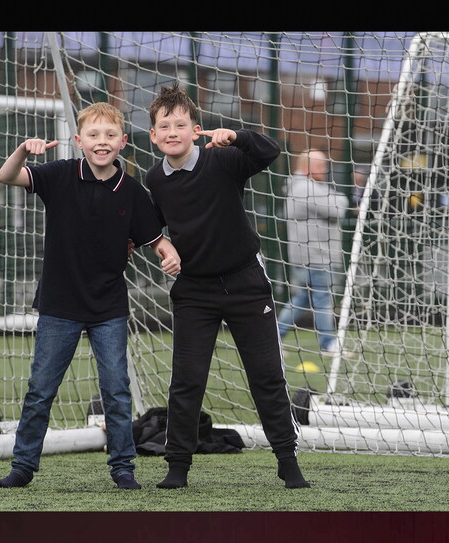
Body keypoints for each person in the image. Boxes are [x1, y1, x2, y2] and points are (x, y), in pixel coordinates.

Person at [0, 102, 181, 490]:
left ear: (123, 142)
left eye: (110, 135)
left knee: (116, 391)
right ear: (79, 141)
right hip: (59, 304)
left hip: (109, 307)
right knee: (40, 390)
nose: (102, 142)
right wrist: (23, 151)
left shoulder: (132, 191)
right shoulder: (60, 174)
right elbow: (6, 176)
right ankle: (23, 466)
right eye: (93, 135)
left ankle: (123, 468)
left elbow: (156, 240)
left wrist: (170, 253)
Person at [144, 83, 310, 489]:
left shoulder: (223, 159)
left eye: (180, 125)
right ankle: (177, 468)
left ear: (196, 129)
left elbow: (270, 151)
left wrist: (237, 136)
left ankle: (288, 462)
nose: (172, 132)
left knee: (266, 376)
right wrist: (162, 247)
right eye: (164, 126)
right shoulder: (155, 179)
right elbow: (150, 227)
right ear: (153, 135)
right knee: (187, 381)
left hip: (246, 284)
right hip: (194, 292)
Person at [277, 149, 350, 357]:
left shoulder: (307, 187)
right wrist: (336, 198)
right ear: (306, 167)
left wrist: (335, 198)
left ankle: (273, 339)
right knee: (322, 300)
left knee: (303, 299)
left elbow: (338, 202)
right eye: (320, 166)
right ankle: (328, 345)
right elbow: (339, 207)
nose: (325, 170)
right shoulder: (304, 187)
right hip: (316, 257)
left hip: (310, 257)